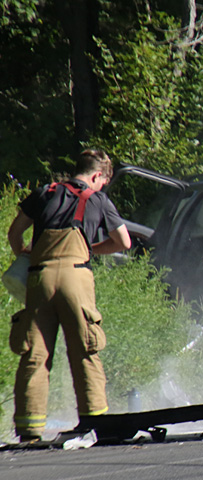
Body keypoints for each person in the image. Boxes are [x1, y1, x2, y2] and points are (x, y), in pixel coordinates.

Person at [6, 149, 131, 443]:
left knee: (34, 355)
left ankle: (29, 430)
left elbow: (14, 232)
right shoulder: (97, 199)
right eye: (102, 182)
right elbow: (123, 241)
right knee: (85, 351)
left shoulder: (44, 192)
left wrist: (24, 254)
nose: (100, 188)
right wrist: (92, 250)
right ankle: (93, 423)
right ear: (97, 175)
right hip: (76, 277)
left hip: (40, 277)